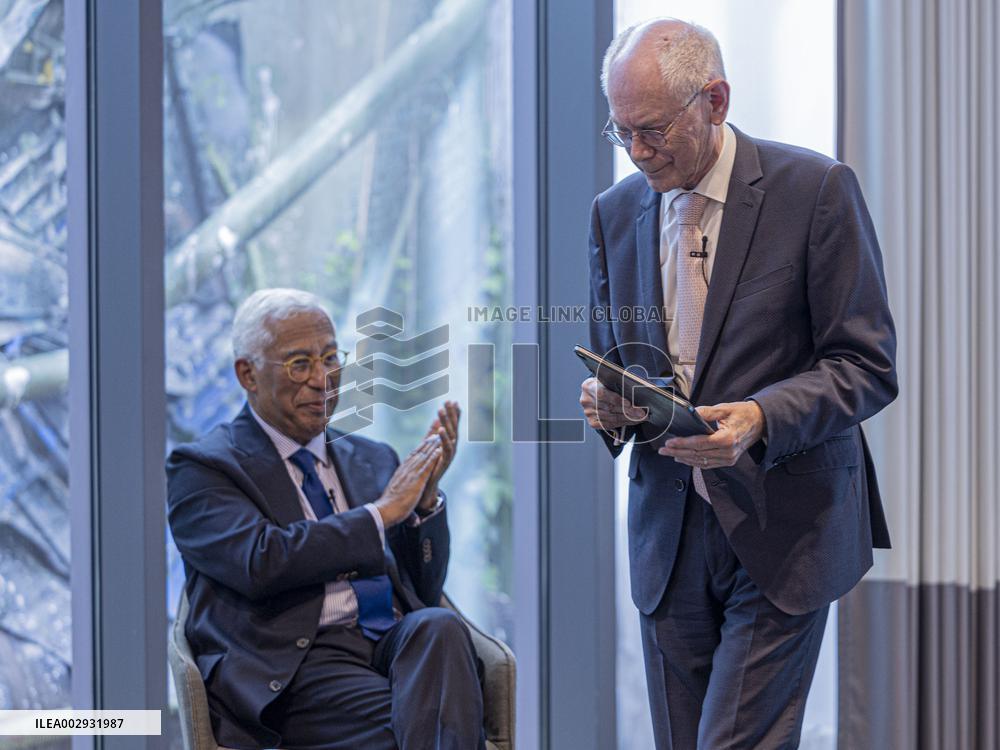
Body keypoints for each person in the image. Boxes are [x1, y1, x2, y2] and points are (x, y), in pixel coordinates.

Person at [578, 19, 897, 749]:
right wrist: (609, 408)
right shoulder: (615, 212)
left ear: (715, 100)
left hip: (784, 526)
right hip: (667, 538)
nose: (637, 152)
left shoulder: (815, 190)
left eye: (653, 130)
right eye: (621, 132)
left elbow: (868, 364)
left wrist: (758, 416)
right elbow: (619, 362)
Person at [167, 288, 484, 750]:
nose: (323, 379)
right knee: (434, 725)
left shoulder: (372, 458)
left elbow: (422, 589)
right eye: (300, 364)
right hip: (297, 666)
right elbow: (262, 562)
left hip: (395, 647)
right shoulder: (205, 467)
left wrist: (422, 504)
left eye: (332, 358)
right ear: (248, 374)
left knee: (439, 626)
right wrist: (379, 514)